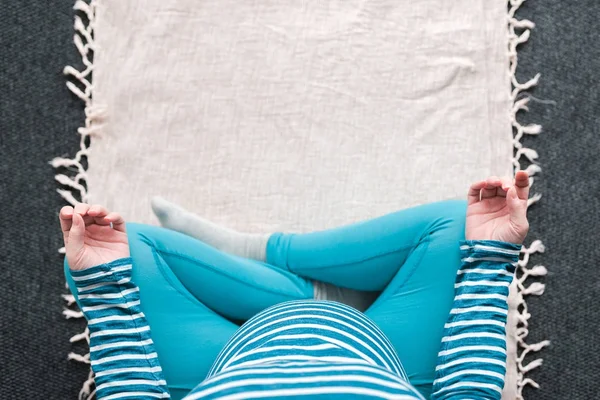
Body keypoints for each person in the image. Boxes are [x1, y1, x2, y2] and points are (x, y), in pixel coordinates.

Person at [60, 172, 530, 400]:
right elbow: (467, 390)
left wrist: (102, 287)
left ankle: (300, 285)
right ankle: (278, 255)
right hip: (387, 355)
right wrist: (490, 255)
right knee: (463, 225)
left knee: (109, 254)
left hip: (222, 362)